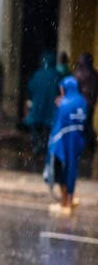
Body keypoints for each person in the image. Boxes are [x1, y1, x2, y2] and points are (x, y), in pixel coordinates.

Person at [46, 76, 87, 215]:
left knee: (62, 171)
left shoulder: (64, 103)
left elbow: (57, 123)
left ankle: (65, 203)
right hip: (77, 139)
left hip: (63, 141)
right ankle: (71, 197)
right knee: (72, 169)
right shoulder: (82, 101)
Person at [25, 51, 60, 156]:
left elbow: (30, 88)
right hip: (51, 107)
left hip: (38, 106)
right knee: (49, 128)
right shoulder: (57, 75)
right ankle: (46, 146)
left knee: (36, 127)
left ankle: (38, 145)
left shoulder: (37, 74)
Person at [72, 52, 98, 149]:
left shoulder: (78, 73)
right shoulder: (95, 73)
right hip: (91, 103)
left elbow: (73, 87)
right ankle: (90, 145)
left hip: (80, 103)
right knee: (88, 124)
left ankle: (82, 146)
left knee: (80, 125)